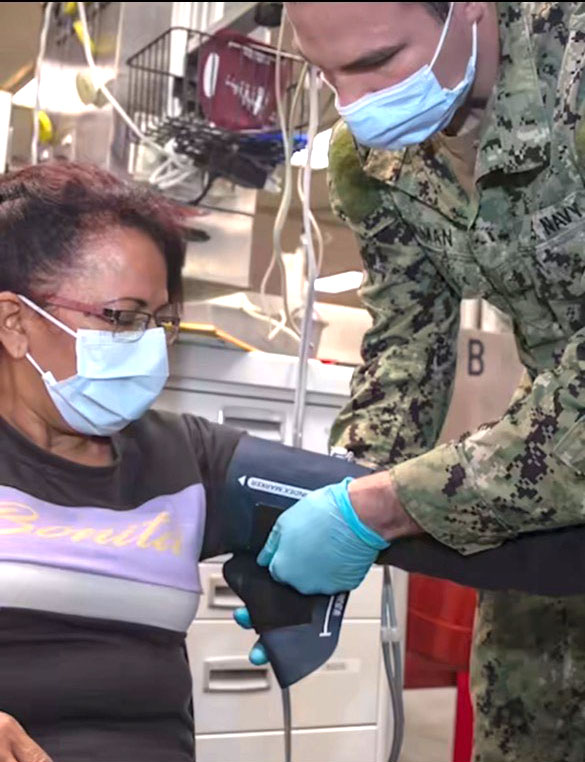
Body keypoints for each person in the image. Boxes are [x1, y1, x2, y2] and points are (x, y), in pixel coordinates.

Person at [235, 3, 585, 761]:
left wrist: (386, 507)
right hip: (549, 514)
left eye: (375, 63)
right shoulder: (372, 161)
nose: (354, 105)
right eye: (325, 75)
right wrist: (331, 494)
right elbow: (406, 347)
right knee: (529, 726)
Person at [0, 161, 251, 762]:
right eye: (123, 317)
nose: (150, 345)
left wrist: (358, 515)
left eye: (160, 321)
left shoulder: (181, 457)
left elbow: (375, 503)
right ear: (14, 322)